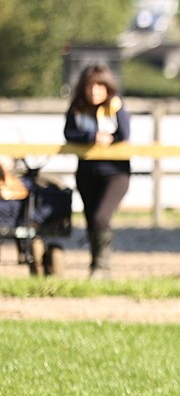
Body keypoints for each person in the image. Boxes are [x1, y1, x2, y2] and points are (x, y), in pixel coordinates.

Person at [64, 63, 131, 279]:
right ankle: (96, 265)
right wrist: (91, 137)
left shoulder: (116, 106)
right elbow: (69, 133)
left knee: (102, 217)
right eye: (90, 86)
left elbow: (125, 133)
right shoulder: (77, 107)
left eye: (99, 86)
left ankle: (102, 266)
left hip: (115, 173)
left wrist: (109, 138)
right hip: (86, 172)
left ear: (107, 87)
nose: (94, 91)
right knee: (91, 219)